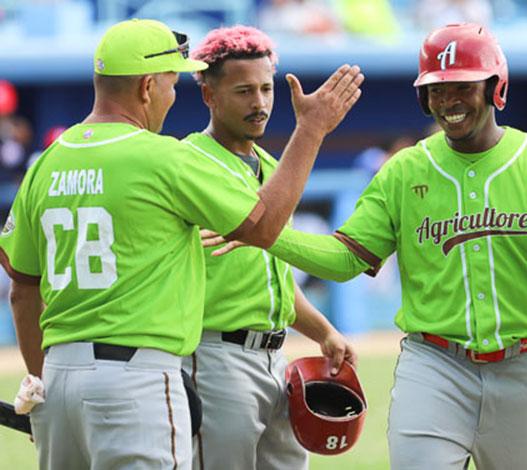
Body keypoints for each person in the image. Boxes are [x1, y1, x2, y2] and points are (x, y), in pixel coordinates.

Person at [205, 22, 527, 469]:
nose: (448, 100)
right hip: (434, 368)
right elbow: (346, 258)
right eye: (436, 88)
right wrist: (268, 234)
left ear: (494, 88)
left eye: (463, 86)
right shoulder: (403, 171)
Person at [0, 18, 363, 470]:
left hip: (58, 376)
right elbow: (265, 228)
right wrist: (311, 129)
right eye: (172, 83)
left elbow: (22, 289)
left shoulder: (46, 163)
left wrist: (39, 380)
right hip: (140, 376)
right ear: (148, 87)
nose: (174, 96)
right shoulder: (167, 157)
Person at [182, 25, 358, 470]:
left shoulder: (271, 166)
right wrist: (312, 130)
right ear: (209, 95)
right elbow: (259, 227)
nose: (259, 103)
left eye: (265, 88)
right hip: (215, 357)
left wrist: (323, 331)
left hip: (276, 361)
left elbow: (271, 275)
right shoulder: (189, 162)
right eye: (243, 91)